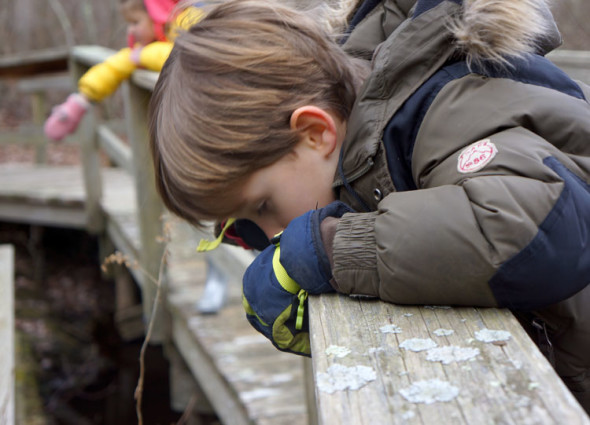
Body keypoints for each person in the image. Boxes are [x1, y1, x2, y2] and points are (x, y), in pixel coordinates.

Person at [148, 0, 590, 412]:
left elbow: (540, 228)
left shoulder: (447, 109)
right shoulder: (367, 138)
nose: (272, 233)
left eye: (263, 206)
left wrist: (334, 249)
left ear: (315, 132)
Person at [43, 0, 204, 141]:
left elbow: (186, 54)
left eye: (135, 22)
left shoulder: (189, 22)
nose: (130, 30)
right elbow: (114, 67)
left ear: (156, 15)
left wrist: (142, 55)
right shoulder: (143, 50)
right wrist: (79, 101)